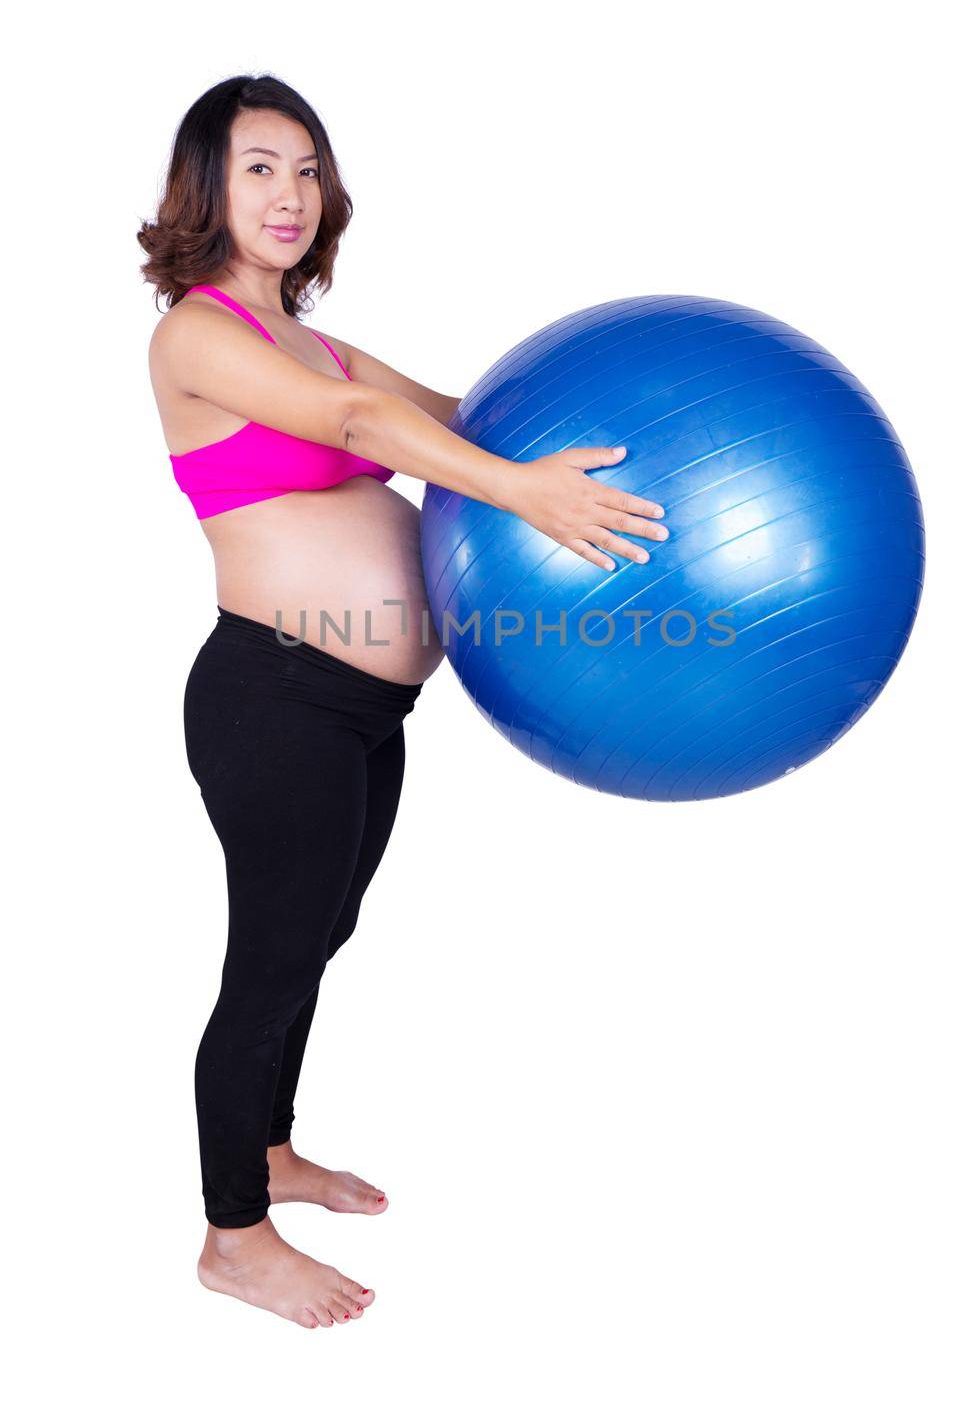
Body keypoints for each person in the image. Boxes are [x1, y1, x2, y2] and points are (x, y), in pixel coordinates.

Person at [140, 73, 669, 1330]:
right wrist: (525, 497)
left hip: (361, 713)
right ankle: (231, 1235)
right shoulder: (195, 334)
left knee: (317, 940)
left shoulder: (307, 335)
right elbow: (363, 420)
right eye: (259, 166)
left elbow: (441, 414)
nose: (288, 193)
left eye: (306, 169)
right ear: (205, 188)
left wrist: (591, 439)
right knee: (266, 962)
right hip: (270, 695)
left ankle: (267, 1151)